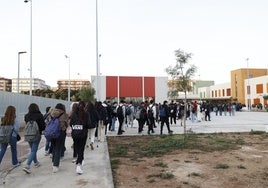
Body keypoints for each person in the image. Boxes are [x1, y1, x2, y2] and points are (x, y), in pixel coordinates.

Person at [23, 103, 45, 174]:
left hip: (28, 135)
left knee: (32, 149)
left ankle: (36, 162)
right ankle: (27, 166)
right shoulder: (39, 115)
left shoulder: (26, 116)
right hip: (36, 135)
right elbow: (42, 126)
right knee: (33, 150)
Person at [69, 101, 88, 174]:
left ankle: (80, 160)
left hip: (75, 134)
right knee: (81, 149)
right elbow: (88, 124)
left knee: (77, 148)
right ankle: (78, 165)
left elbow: (71, 124)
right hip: (83, 134)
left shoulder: (73, 115)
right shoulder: (85, 114)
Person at [50, 103, 69, 173]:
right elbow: (67, 124)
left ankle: (53, 162)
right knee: (58, 148)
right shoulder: (65, 115)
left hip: (52, 132)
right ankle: (55, 166)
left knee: (54, 148)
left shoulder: (52, 113)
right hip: (60, 133)